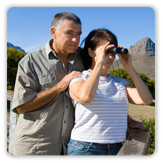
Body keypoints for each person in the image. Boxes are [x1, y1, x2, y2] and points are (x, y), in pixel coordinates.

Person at [9, 11, 145, 156]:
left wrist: (128, 120)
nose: (75, 39)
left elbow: (104, 93)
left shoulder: (84, 57)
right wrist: (59, 87)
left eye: (78, 34)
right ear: (53, 32)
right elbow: (22, 106)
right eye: (69, 33)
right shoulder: (30, 61)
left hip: (70, 145)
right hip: (36, 146)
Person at [67, 29, 153, 156]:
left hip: (116, 148)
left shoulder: (119, 83)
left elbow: (146, 100)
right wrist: (99, 62)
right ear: (90, 52)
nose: (111, 57)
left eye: (112, 52)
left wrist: (129, 67)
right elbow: (85, 97)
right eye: (106, 52)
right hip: (85, 148)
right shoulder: (79, 78)